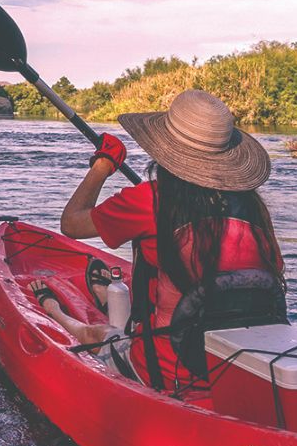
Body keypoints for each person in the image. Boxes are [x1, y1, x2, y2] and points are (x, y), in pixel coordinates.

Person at [32, 89, 284, 396]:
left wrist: (103, 166)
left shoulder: (150, 199)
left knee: (101, 334)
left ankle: (54, 310)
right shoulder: (255, 209)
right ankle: (106, 295)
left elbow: (71, 223)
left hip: (167, 370)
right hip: (240, 369)